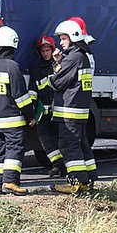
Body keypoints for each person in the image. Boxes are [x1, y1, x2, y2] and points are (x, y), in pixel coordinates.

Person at [0, 26, 36, 196]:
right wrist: (30, 115)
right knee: (14, 149)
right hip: (12, 120)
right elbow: (21, 97)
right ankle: (10, 182)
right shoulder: (12, 66)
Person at [45, 19, 96, 194]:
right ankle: (88, 180)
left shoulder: (73, 58)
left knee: (69, 146)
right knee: (82, 145)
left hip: (69, 112)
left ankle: (75, 182)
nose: (60, 42)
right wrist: (60, 62)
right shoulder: (82, 56)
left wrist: (55, 67)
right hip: (79, 111)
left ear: (73, 37)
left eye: (63, 39)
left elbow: (56, 83)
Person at [29, 35, 65, 177]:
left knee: (61, 138)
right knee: (44, 137)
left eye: (47, 50)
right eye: (43, 51)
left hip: (59, 110)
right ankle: (57, 164)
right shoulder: (36, 68)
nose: (45, 54)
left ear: (53, 50)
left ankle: (66, 165)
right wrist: (31, 110)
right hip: (44, 112)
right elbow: (32, 90)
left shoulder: (60, 64)